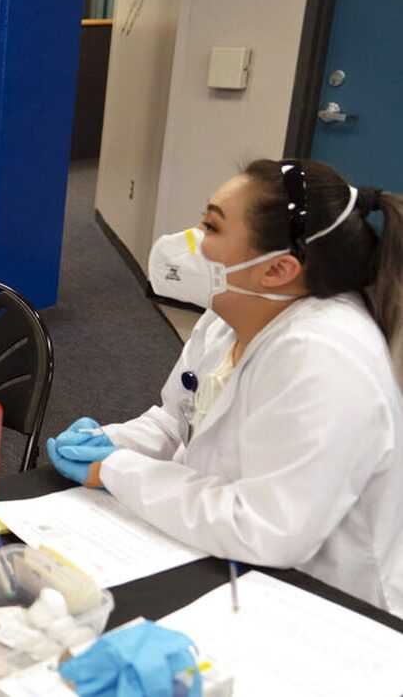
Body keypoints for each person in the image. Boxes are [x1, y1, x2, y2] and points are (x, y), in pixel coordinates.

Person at [45, 159, 403, 614]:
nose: (190, 240)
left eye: (211, 227)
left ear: (277, 270)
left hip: (330, 604)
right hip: (232, 558)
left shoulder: (325, 357)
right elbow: (176, 420)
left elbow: (267, 529)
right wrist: (111, 442)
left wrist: (115, 470)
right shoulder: (230, 315)